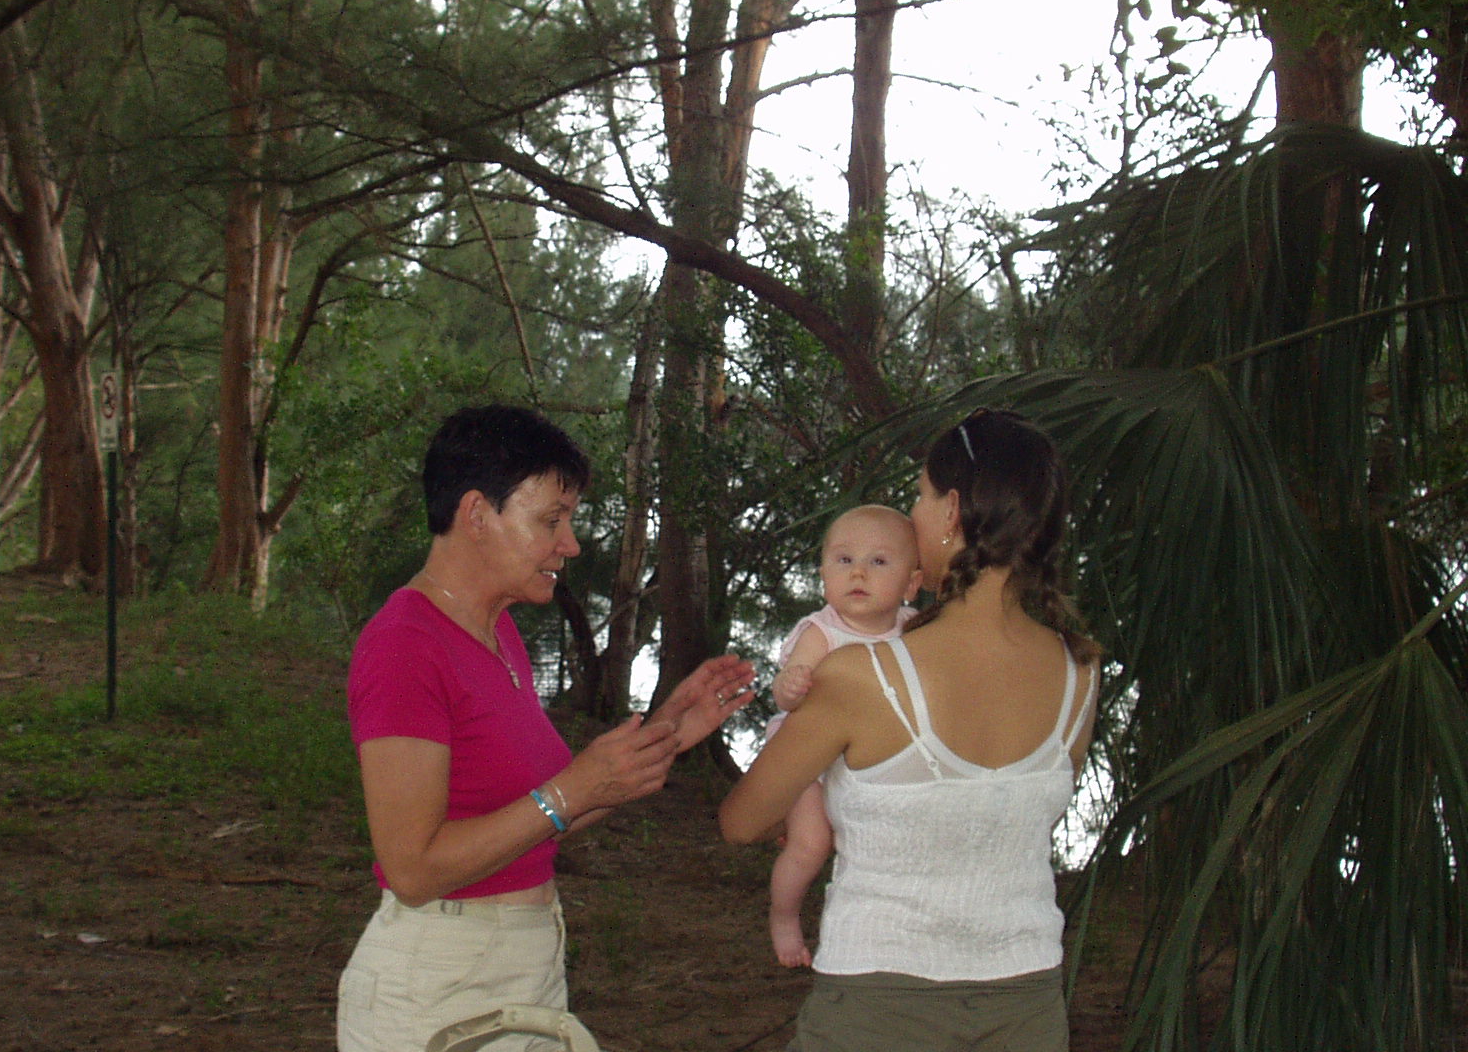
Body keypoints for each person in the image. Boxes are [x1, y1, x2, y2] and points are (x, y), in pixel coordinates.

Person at [338, 404, 755, 1052]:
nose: (571, 544)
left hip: (525, 969)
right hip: (437, 987)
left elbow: (549, 814)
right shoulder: (405, 645)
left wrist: (668, 730)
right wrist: (569, 790)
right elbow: (413, 868)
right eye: (551, 520)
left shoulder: (498, 633)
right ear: (477, 515)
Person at [721, 409, 1099, 1052]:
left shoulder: (863, 675)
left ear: (951, 511)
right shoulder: (1079, 673)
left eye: (920, 497)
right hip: (1028, 1006)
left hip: (877, 1006)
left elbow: (741, 821)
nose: (912, 514)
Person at [765, 505, 922, 968]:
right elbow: (784, 695)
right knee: (812, 843)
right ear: (823, 577)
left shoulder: (914, 631)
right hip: (809, 759)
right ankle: (783, 916)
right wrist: (791, 686)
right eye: (844, 560)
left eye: (878, 561)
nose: (858, 572)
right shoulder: (823, 631)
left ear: (912, 583)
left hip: (870, 761)